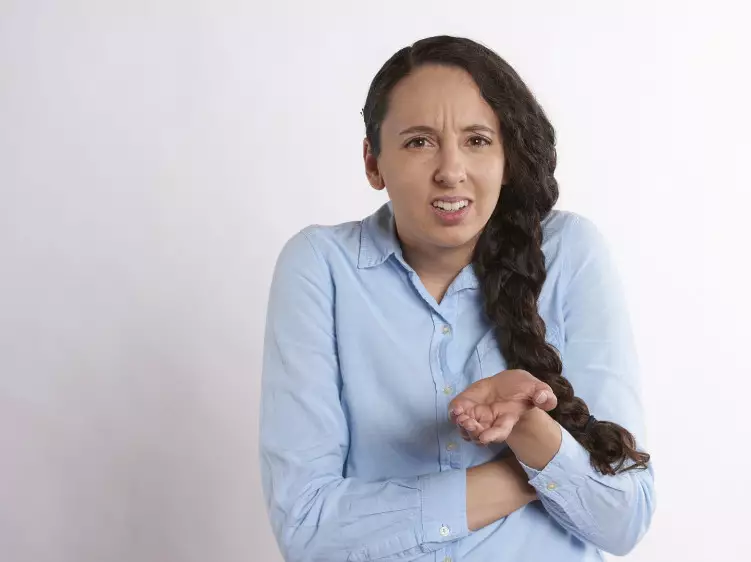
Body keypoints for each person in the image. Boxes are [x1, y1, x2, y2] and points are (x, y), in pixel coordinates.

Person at [258, 35, 655, 562]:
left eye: (477, 140)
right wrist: (536, 471)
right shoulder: (321, 267)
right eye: (419, 142)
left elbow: (623, 517)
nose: (450, 170)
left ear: (508, 156)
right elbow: (307, 530)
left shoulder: (569, 252)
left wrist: (529, 427)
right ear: (373, 162)